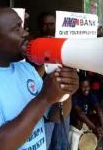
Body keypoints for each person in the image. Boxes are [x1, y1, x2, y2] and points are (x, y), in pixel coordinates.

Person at [0, 6, 79, 150]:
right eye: (17, 29)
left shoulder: (25, 69)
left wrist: (65, 91)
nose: (25, 33)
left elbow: (55, 116)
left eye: (22, 26)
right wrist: (44, 98)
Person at [36, 11, 72, 150]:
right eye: (44, 25)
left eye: (51, 24)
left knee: (62, 140)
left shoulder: (63, 45)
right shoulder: (32, 46)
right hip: (42, 101)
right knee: (46, 140)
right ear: (39, 26)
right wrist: (46, 61)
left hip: (63, 99)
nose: (48, 28)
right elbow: (32, 77)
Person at [70, 76, 103, 143]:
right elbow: (80, 114)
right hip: (75, 125)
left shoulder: (90, 95)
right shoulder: (74, 97)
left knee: (97, 119)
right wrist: (94, 128)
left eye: (88, 86)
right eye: (83, 87)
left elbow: (98, 108)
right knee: (79, 124)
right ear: (79, 87)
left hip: (86, 123)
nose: (86, 89)